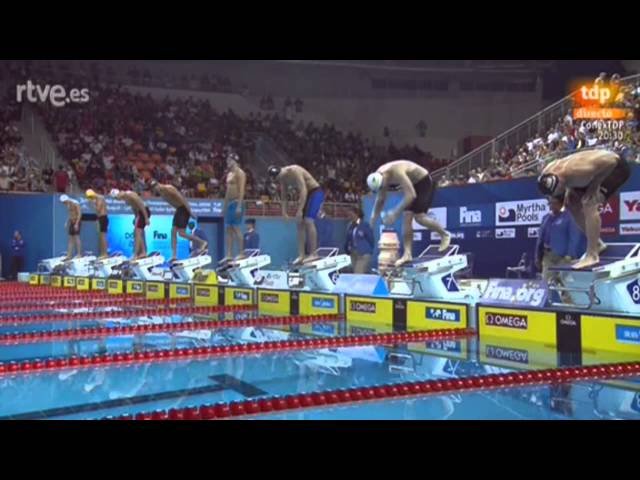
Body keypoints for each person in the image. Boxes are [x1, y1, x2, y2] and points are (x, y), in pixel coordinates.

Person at [537, 149, 630, 269]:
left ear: (561, 182)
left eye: (559, 191)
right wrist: (568, 191)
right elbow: (565, 183)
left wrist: (595, 185)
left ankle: (592, 255)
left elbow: (611, 161)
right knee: (570, 202)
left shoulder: (580, 171)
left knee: (589, 203)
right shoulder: (548, 171)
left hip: (614, 169)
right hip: (590, 173)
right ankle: (597, 244)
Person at [367, 159, 451, 267]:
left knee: (419, 217)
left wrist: (395, 212)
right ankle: (407, 254)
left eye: (383, 185)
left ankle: (444, 234)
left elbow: (411, 195)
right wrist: (373, 218)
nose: (384, 187)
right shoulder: (379, 177)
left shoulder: (396, 171)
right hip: (411, 184)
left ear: (384, 177)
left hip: (423, 182)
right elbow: (380, 199)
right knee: (406, 218)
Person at [268, 164, 325, 265]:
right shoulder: (282, 178)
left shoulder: (294, 170)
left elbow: (303, 190)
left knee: (308, 221)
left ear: (280, 172)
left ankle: (314, 253)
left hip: (315, 192)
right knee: (299, 223)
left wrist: (300, 210)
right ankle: (301, 255)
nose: (279, 180)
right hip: (306, 195)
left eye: (279, 178)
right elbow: (284, 196)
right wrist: (284, 212)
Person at [148, 180, 207, 261]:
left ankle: (201, 242)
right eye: (154, 189)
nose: (156, 190)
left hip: (183, 209)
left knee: (181, 233)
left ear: (159, 184)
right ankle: (174, 255)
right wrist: (177, 212)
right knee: (175, 232)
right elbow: (172, 203)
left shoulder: (169, 188)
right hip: (179, 210)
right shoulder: (162, 194)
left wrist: (190, 212)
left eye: (156, 187)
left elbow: (182, 200)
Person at [535, 196, 585, 282]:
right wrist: (537, 256)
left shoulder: (569, 217)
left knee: (565, 284)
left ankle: (566, 295)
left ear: (560, 203)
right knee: (546, 284)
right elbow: (540, 239)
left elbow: (574, 237)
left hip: (563, 257)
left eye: (552, 203)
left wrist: (569, 255)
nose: (550, 206)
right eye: (549, 203)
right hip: (548, 257)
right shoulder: (546, 218)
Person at [110, 189, 150, 259]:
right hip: (140, 213)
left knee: (137, 233)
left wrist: (146, 218)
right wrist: (136, 217)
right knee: (137, 233)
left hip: (144, 211)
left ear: (118, 194)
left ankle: (135, 254)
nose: (117, 200)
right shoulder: (125, 198)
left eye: (116, 198)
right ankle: (143, 252)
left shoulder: (130, 195)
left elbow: (141, 205)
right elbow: (134, 207)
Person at [222, 153, 246, 262]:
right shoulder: (229, 174)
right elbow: (227, 191)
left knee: (236, 228)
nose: (227, 162)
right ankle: (229, 254)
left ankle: (241, 253)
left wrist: (239, 206)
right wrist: (224, 206)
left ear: (234, 161)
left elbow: (241, 190)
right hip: (230, 203)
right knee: (228, 229)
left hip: (237, 202)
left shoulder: (240, 173)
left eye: (229, 160)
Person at [345, 206, 374, 274]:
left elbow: (371, 239)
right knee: (357, 273)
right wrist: (347, 250)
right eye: (349, 215)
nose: (350, 217)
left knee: (358, 273)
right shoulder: (350, 226)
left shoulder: (365, 225)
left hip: (363, 254)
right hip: (353, 254)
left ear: (357, 214)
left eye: (351, 215)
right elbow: (348, 240)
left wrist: (368, 251)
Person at [85, 189, 109, 258]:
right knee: (101, 237)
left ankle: (105, 254)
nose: (91, 199)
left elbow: (98, 209)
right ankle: (103, 253)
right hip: (100, 218)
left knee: (103, 236)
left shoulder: (100, 198)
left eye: (91, 197)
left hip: (103, 218)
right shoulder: (97, 198)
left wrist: (92, 203)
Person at [60, 194, 82, 259]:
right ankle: (69, 255)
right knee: (70, 239)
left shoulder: (75, 203)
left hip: (77, 221)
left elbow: (79, 213)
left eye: (64, 202)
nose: (64, 204)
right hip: (72, 222)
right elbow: (70, 214)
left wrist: (77, 223)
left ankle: (79, 254)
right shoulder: (68, 204)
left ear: (66, 200)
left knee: (76, 238)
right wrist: (67, 222)